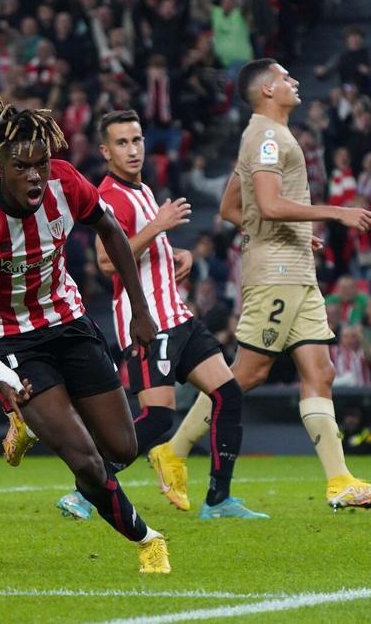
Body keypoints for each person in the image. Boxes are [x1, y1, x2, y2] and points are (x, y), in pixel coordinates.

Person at [0, 97, 170, 573]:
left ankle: (27, 425)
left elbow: (111, 230)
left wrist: (140, 308)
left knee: (122, 448)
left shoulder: (65, 181)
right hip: (11, 343)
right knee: (84, 460)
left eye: (41, 163)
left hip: (69, 323)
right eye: (23, 167)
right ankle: (149, 539)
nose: (36, 175)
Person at [161, 59, 371, 511]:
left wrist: (292, 234)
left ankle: (340, 482)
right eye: (287, 77)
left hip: (293, 268)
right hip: (277, 273)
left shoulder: (262, 134)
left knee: (321, 372)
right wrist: (336, 212)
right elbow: (268, 205)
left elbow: (235, 207)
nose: (294, 81)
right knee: (246, 374)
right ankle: (172, 451)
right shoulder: (269, 136)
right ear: (268, 89)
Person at [54, 110, 266, 522]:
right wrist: (158, 226)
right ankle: (83, 492)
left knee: (228, 393)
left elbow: (144, 254)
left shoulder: (143, 190)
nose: (132, 150)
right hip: (148, 321)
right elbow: (106, 262)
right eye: (121, 143)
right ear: (105, 151)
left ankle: (219, 500)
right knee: (158, 417)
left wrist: (176, 254)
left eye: (136, 140)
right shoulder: (110, 195)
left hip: (178, 315)